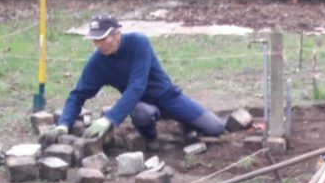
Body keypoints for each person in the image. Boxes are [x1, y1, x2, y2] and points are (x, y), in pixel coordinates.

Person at [45, 14, 225, 144]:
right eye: (95, 40)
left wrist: (109, 118)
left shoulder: (139, 43)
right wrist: (64, 124)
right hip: (140, 104)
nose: (99, 45)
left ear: (118, 34)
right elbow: (77, 95)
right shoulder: (98, 62)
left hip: (168, 97)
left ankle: (182, 122)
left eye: (103, 38)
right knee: (142, 113)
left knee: (216, 128)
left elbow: (137, 85)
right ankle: (150, 137)